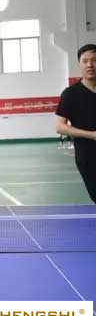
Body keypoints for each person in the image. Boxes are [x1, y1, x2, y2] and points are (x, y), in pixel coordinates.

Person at [56, 44, 96, 203]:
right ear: (79, 64)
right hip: (87, 156)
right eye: (85, 61)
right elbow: (60, 126)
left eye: (94, 60)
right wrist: (91, 135)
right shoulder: (70, 94)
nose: (90, 65)